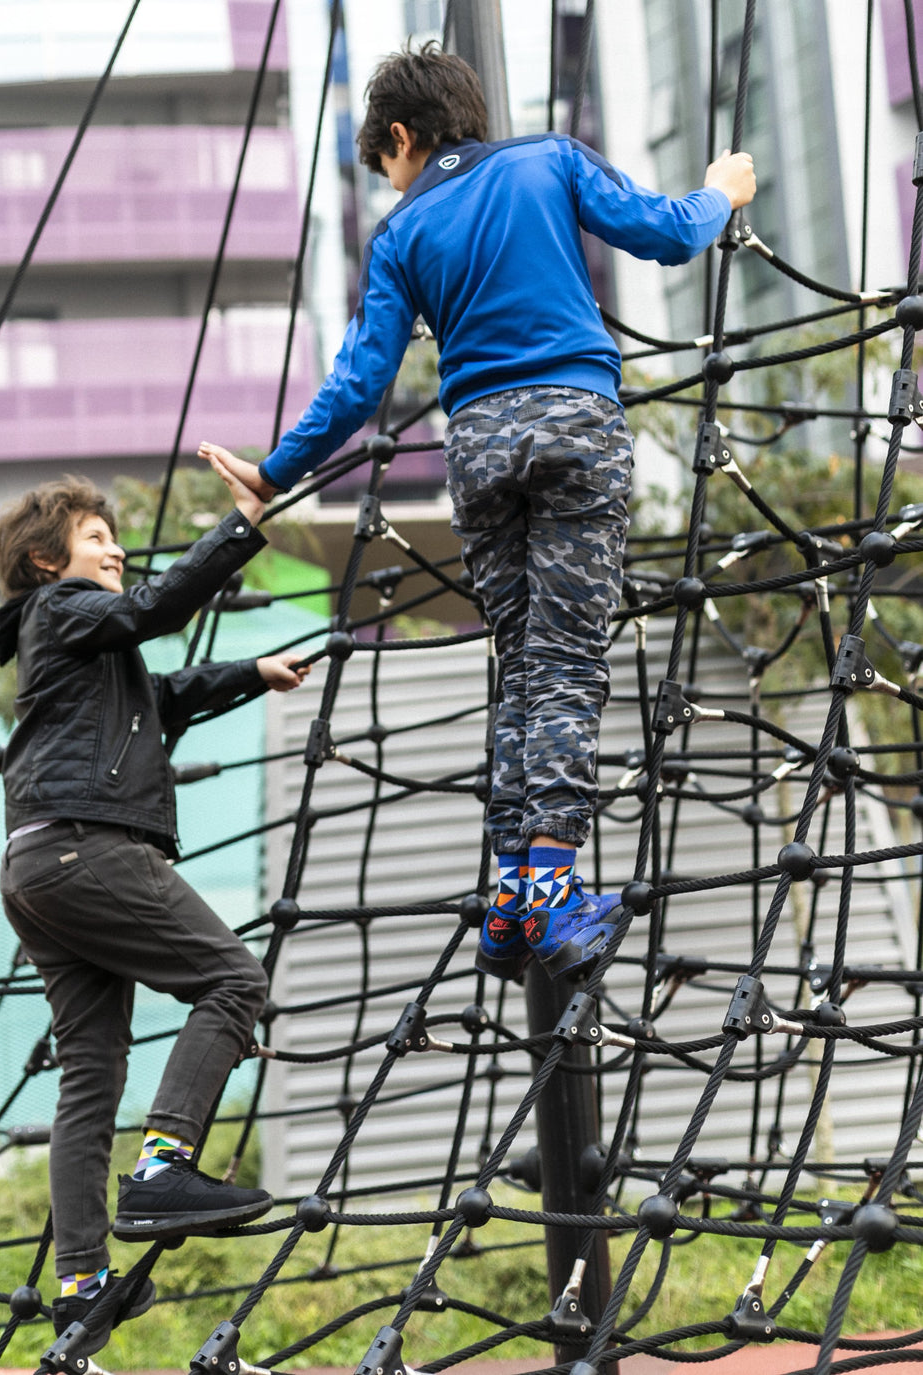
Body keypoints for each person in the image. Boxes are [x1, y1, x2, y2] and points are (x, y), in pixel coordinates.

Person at [202, 41, 756, 983]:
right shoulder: (550, 159)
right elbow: (666, 232)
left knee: (520, 665)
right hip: (576, 428)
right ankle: (549, 888)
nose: (391, 185)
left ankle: (509, 894)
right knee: (568, 663)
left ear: (405, 139)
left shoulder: (401, 237)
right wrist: (721, 191)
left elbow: (360, 380)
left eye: (384, 166)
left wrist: (274, 468)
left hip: (480, 449)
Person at [0, 452, 308, 1357]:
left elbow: (167, 693)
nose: (116, 548)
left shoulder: (86, 655)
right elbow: (157, 609)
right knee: (233, 977)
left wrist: (255, 670)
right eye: (98, 538)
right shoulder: (63, 610)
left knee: (91, 1074)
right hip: (87, 848)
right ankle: (165, 1166)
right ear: (48, 561)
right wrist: (243, 524)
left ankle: (81, 1282)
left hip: (38, 865)